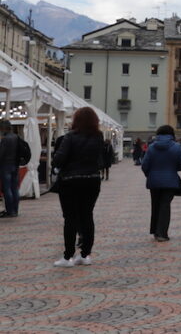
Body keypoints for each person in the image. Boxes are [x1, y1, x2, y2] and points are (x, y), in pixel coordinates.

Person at [51, 107, 106, 267]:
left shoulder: (70, 137)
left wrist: (57, 164)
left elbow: (59, 158)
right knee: (87, 216)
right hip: (92, 180)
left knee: (70, 218)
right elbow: (100, 160)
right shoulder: (99, 137)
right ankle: (85, 255)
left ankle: (68, 257)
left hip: (70, 180)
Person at [141, 125, 181, 242]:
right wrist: (173, 169)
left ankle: (155, 231)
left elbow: (144, 165)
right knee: (165, 206)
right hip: (170, 181)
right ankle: (162, 233)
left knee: (155, 205)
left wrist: (150, 174)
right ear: (172, 134)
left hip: (154, 181)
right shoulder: (177, 147)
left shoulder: (151, 147)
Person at [0, 119, 22, 218]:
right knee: (14, 188)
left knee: (7, 188)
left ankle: (10, 211)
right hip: (15, 165)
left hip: (6, 166)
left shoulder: (5, 139)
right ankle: (15, 210)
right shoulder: (16, 137)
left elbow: (1, 154)